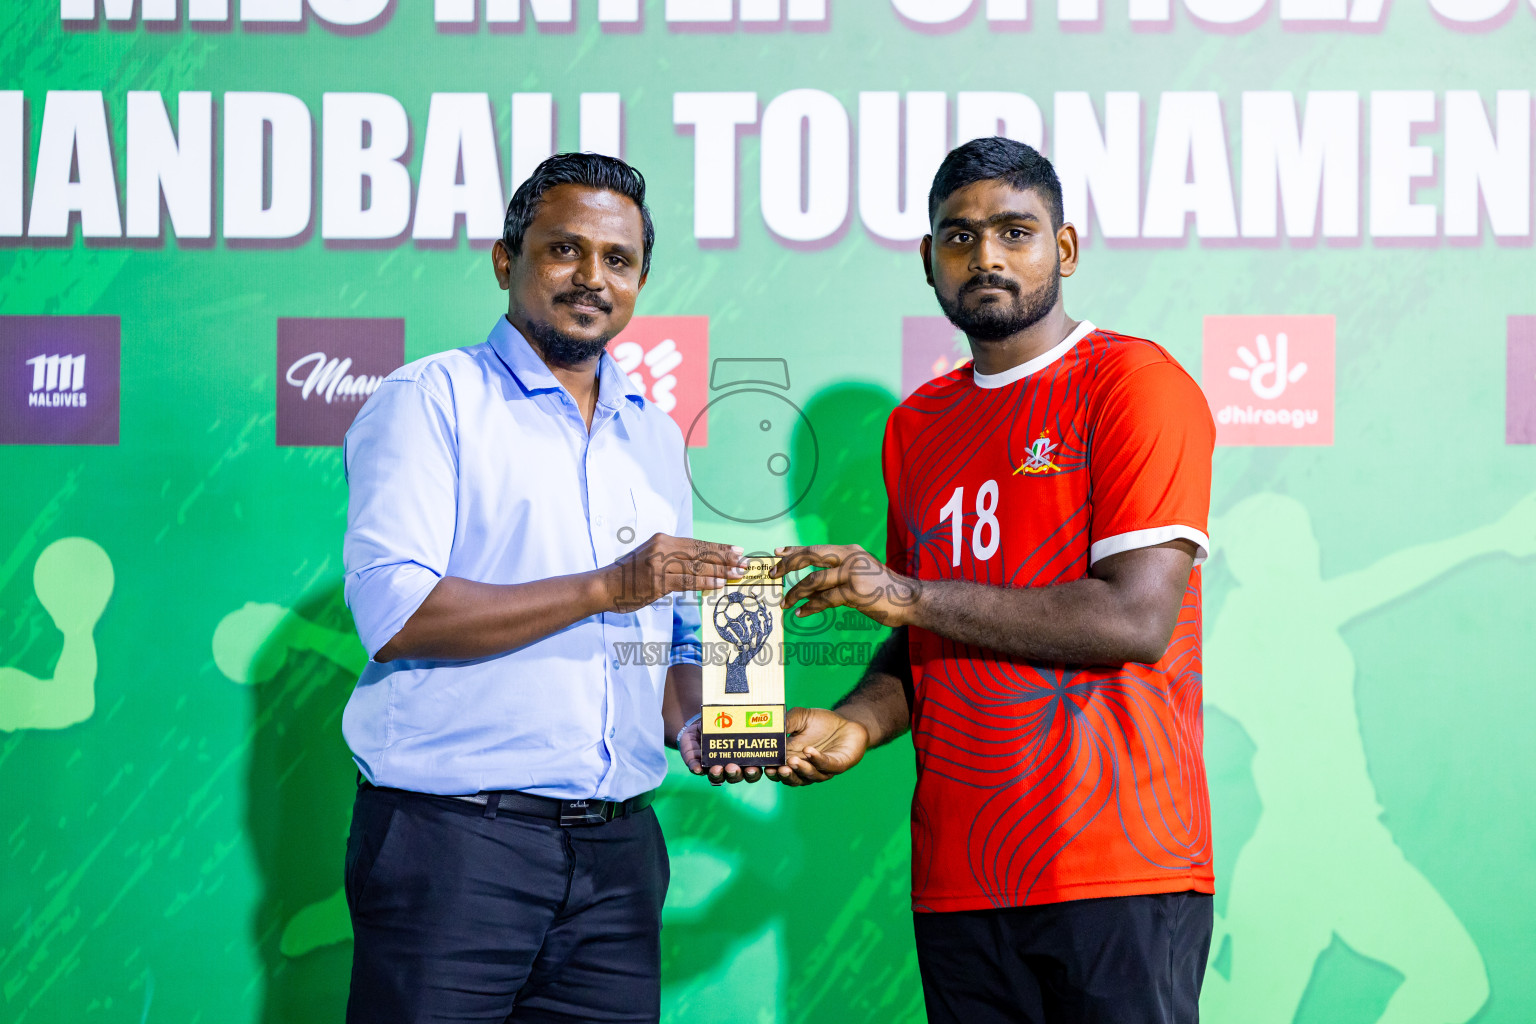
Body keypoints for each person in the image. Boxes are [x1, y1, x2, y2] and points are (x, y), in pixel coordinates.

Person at [766, 137, 1217, 1024]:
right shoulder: (918, 426)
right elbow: (929, 628)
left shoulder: (1131, 383)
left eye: (1016, 231)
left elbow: (1133, 618)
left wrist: (903, 593)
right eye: (961, 237)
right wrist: (857, 720)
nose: (989, 258)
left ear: (1067, 249)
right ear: (928, 260)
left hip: (1114, 863)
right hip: (961, 876)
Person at [338, 152, 747, 1024]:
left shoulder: (655, 436)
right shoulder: (430, 400)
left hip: (618, 858)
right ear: (506, 261)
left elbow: (668, 642)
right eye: (565, 251)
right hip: (454, 848)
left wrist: (712, 730)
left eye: (619, 260)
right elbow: (397, 613)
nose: (592, 279)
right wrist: (609, 585)